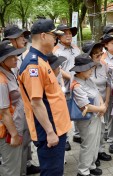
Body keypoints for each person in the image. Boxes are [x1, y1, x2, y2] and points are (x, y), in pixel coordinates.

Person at [18, 19, 72, 175]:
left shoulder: (42, 59)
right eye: (53, 35)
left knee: (56, 170)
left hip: (56, 126)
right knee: (52, 172)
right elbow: (36, 103)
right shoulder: (33, 65)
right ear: (43, 36)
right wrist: (50, 132)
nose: (55, 38)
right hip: (49, 129)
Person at [2, 25, 41, 175]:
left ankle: (26, 165)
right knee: (12, 160)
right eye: (20, 37)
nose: (24, 40)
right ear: (11, 40)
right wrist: (12, 133)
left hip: (22, 112)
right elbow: (4, 109)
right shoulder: (5, 66)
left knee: (25, 143)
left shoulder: (17, 59)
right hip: (11, 122)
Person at [69, 53, 107, 176]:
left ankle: (91, 165)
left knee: (95, 143)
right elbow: (85, 106)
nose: (91, 70)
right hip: (86, 119)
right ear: (80, 71)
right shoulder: (76, 85)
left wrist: (102, 105)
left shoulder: (88, 79)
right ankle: (83, 171)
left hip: (96, 116)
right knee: (88, 144)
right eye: (89, 68)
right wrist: (101, 108)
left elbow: (97, 93)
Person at [82, 41, 112, 166]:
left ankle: (100, 150)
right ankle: (92, 155)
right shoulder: (84, 69)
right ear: (90, 56)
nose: (101, 57)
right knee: (91, 133)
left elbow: (108, 84)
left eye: (101, 54)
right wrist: (98, 106)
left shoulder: (104, 65)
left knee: (102, 129)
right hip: (91, 106)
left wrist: (106, 102)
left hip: (103, 103)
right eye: (97, 55)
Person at [53, 24, 81, 148]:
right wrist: (70, 77)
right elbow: (57, 68)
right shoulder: (55, 51)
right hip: (63, 85)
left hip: (77, 84)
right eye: (65, 33)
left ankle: (78, 134)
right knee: (64, 112)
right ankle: (66, 139)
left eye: (70, 33)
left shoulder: (76, 48)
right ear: (59, 36)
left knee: (79, 107)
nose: (68, 35)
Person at [0, 40, 25, 176]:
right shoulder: (2, 81)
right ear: (3, 59)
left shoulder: (8, 71)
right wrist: (14, 134)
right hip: (8, 131)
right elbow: (3, 112)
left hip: (14, 126)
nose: (16, 58)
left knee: (14, 164)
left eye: (16, 55)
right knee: (10, 168)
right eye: (12, 56)